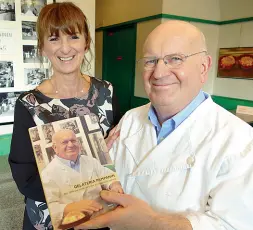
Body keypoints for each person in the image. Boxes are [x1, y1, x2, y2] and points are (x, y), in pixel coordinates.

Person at [76, 20, 253, 230]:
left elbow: (233, 225)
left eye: (175, 59)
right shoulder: (131, 118)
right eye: (150, 61)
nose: (159, 73)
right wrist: (96, 163)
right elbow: (107, 180)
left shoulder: (240, 141)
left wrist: (152, 223)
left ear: (204, 67)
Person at [8, 2, 120, 230]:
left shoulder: (106, 92)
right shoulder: (29, 104)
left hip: (98, 213)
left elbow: (117, 154)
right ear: (42, 47)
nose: (65, 48)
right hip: (50, 216)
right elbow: (25, 177)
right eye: (54, 38)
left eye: (73, 36)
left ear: (86, 41)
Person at [42, 129, 123, 228]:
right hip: (74, 224)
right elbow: (51, 206)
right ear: (55, 147)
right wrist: (70, 207)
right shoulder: (47, 173)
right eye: (65, 142)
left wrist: (114, 184)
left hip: (101, 217)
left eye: (73, 140)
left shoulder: (90, 161)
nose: (71, 145)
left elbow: (106, 176)